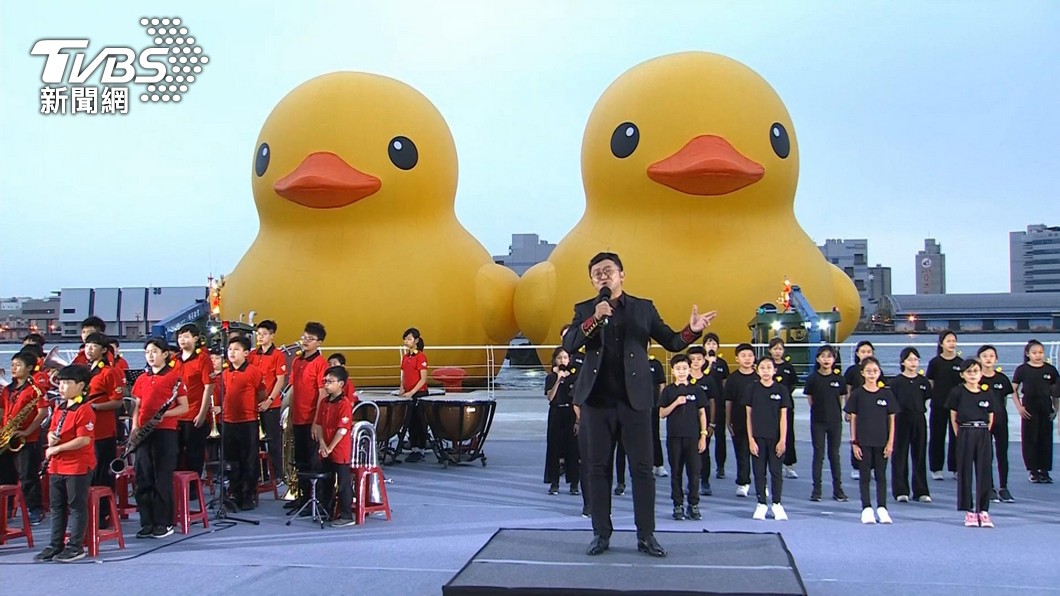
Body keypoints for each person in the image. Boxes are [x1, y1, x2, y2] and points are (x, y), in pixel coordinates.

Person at [562, 252, 715, 558]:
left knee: (642, 470)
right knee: (597, 469)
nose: (603, 277)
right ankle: (600, 533)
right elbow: (570, 345)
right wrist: (595, 318)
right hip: (596, 402)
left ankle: (646, 535)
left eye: (608, 271)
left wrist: (692, 330)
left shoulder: (643, 308)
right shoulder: (585, 309)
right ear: (592, 281)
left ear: (622, 274)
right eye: (596, 274)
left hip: (636, 403)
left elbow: (672, 341)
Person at [34, 364, 96, 563]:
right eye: (60, 383)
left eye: (67, 383)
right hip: (57, 465)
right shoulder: (60, 407)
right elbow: (53, 429)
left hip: (77, 465)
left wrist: (57, 448)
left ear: (81, 386)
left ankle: (75, 546)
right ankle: (55, 543)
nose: (62, 387)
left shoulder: (84, 410)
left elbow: (84, 439)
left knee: (76, 507)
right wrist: (52, 436)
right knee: (57, 507)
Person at [129, 338, 189, 539]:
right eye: (147, 352)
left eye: (154, 351)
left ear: (165, 354)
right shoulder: (142, 379)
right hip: (143, 433)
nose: (150, 355)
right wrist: (135, 427)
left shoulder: (174, 378)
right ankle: (147, 521)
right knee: (143, 476)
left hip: (165, 432)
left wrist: (164, 415)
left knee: (161, 477)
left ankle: (164, 522)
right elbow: (137, 406)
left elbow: (184, 407)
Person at [845, 356, 898, 525]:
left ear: (880, 372)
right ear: (862, 373)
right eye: (868, 371)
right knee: (865, 476)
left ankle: (882, 508)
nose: (872, 374)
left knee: (881, 476)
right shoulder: (858, 394)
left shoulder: (886, 394)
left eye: (875, 371)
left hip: (882, 441)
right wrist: (854, 442)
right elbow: (853, 418)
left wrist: (890, 442)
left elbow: (891, 419)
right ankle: (866, 508)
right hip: (863, 442)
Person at [217, 336, 267, 510]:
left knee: (248, 460)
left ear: (246, 353)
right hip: (228, 421)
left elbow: (261, 393)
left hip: (247, 421)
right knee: (232, 460)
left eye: (236, 349)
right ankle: (234, 493)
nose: (231, 352)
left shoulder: (253, 372)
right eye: (230, 349)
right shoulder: (225, 373)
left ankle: (248, 495)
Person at [0, 350, 49, 525]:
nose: (13, 368)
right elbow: (2, 410)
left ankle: (35, 509)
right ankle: (5, 509)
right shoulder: (7, 389)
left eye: (18, 365)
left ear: (29, 368)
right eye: (12, 365)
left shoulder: (35, 389)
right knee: (5, 476)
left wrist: (27, 431)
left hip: (26, 439)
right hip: (7, 437)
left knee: (28, 476)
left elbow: (43, 412)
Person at [948, 359, 997, 527]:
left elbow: (991, 415)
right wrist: (959, 434)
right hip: (965, 432)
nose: (973, 374)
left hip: (982, 432)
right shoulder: (957, 392)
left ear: (981, 373)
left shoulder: (987, 392)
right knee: (965, 471)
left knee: (984, 471)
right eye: (968, 372)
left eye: (975, 371)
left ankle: (983, 510)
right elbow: (953, 415)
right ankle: (968, 510)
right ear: (962, 375)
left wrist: (985, 432)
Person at [659, 354, 708, 521]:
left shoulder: (697, 390)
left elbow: (702, 413)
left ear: (689, 370)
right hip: (674, 437)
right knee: (676, 472)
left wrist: (703, 435)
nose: (681, 372)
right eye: (678, 369)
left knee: (694, 472)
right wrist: (676, 403)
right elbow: (662, 413)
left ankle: (693, 504)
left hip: (693, 437)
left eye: (684, 368)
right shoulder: (668, 391)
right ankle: (677, 504)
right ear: (673, 371)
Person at [287, 322, 328, 510]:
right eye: (304, 337)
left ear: (319, 343)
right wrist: (289, 415)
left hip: (311, 419)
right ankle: (302, 498)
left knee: (314, 462)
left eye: (310, 339)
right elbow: (294, 390)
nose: (306, 341)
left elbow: (322, 394)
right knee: (300, 460)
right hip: (297, 417)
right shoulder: (297, 361)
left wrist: (316, 422)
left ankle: (316, 500)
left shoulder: (321, 363)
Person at [745, 357, 790, 521]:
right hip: (757, 437)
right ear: (757, 370)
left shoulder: (781, 390)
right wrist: (750, 439)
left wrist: (783, 440)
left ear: (774, 370)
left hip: (776, 438)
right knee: (759, 472)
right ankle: (761, 504)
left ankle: (777, 504)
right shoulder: (752, 389)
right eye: (762, 367)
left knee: (776, 472)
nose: (766, 370)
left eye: (769, 367)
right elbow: (748, 416)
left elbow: (783, 417)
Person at [82, 333, 125, 508]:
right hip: (86, 430)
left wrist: (95, 407)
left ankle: (104, 511)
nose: (89, 350)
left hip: (103, 429)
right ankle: (90, 511)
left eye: (93, 346)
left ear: (104, 350)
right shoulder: (84, 371)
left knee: (102, 473)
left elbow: (118, 401)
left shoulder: (110, 371)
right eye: (87, 346)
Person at [803, 345, 848, 502]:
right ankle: (817, 490)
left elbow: (841, 398)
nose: (826, 359)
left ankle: (838, 490)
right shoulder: (812, 379)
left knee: (834, 455)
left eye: (829, 356)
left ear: (834, 360)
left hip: (835, 421)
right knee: (818, 455)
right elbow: (810, 399)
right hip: (818, 421)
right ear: (817, 359)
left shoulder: (839, 379)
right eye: (823, 356)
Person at [888, 347, 932, 503]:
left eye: (916, 359)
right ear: (903, 362)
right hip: (901, 418)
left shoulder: (923, 381)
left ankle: (921, 490)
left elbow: (926, 397)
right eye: (910, 359)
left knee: (919, 454)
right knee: (900, 454)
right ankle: (901, 490)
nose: (913, 362)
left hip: (919, 418)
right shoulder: (897, 382)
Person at [313, 366, 356, 527]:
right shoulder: (324, 402)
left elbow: (342, 429)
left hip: (339, 449)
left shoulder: (344, 404)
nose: (326, 384)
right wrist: (323, 444)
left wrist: (330, 447)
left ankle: (346, 515)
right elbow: (318, 425)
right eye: (325, 381)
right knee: (326, 481)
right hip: (326, 448)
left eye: (330, 382)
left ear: (341, 384)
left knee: (343, 483)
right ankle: (327, 510)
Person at [1012, 339, 1059, 484]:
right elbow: (1013, 389)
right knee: (1030, 438)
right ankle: (1033, 471)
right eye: (1034, 353)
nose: (1038, 356)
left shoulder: (1050, 370)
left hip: (1045, 406)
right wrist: (1019, 407)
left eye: (1040, 353)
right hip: (1029, 406)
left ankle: (1044, 471)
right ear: (1028, 354)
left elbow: (1055, 392)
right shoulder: (1022, 369)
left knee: (1045, 439)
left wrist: (1056, 408)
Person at [174, 324, 214, 481]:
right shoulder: (174, 360)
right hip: (177, 415)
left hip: (194, 413)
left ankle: (192, 487)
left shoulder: (203, 359)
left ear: (196, 338)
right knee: (176, 453)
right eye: (180, 337)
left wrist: (202, 413)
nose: (182, 340)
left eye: (186, 336)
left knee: (193, 454)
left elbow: (208, 387)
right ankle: (177, 486)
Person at [251, 320, 288, 488]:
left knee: (273, 440)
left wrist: (269, 400)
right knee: (256, 441)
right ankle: (261, 474)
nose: (260, 337)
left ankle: (277, 475)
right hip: (253, 404)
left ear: (272, 336)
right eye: (258, 334)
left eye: (264, 334)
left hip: (271, 404)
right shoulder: (253, 354)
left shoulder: (277, 355)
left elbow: (280, 380)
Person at [977, 345, 1015, 502]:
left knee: (1002, 454)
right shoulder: (976, 379)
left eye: (991, 356)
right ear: (979, 359)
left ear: (996, 359)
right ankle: (989, 487)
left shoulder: (1002, 379)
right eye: (985, 356)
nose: (988, 359)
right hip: (983, 422)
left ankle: (1003, 487)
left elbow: (1004, 399)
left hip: (1001, 421)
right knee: (987, 455)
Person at [544, 348, 580, 495]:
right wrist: (558, 379)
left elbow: (577, 399)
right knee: (554, 447)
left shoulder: (574, 377)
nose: (562, 360)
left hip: (570, 412)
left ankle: (574, 483)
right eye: (559, 358)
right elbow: (550, 397)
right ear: (555, 360)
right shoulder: (551, 378)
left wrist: (578, 420)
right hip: (556, 412)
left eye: (565, 358)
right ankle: (554, 482)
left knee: (573, 448)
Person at [926, 330, 962, 479]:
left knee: (956, 436)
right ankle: (936, 468)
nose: (951, 344)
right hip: (938, 404)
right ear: (941, 343)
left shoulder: (960, 363)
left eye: (953, 341)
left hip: (956, 407)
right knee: (937, 436)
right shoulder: (935, 363)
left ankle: (955, 467)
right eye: (948, 341)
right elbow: (931, 383)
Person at [725, 344, 758, 497]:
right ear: (737, 358)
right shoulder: (733, 379)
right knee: (742, 453)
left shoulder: (759, 377)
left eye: (750, 355)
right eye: (743, 356)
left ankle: (760, 483)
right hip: (739, 421)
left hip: (759, 423)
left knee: (760, 455)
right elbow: (728, 401)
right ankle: (743, 482)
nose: (747, 359)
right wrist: (727, 421)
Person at [844, 341, 879, 480]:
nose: (866, 354)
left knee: (874, 438)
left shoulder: (876, 369)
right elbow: (848, 390)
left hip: (874, 410)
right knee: (857, 437)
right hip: (857, 409)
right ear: (857, 353)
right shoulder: (852, 371)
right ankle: (857, 466)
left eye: (869, 352)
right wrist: (847, 410)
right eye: (863, 351)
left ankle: (871, 466)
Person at [687, 345, 719, 496]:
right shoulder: (684, 379)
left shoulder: (709, 380)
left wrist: (711, 423)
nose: (695, 362)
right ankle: (691, 481)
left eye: (699, 359)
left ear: (704, 361)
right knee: (689, 454)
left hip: (704, 423)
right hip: (687, 423)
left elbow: (712, 402)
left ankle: (705, 481)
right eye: (692, 359)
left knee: (704, 452)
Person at [768, 338, 799, 478]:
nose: (777, 351)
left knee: (788, 435)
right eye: (775, 349)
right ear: (770, 350)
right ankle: (773, 464)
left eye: (780, 349)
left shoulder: (788, 367)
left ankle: (789, 464)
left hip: (786, 406)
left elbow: (793, 384)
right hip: (769, 406)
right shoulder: (767, 366)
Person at [400, 328, 430, 463]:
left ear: (416, 341)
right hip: (408, 394)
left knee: (420, 422)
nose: (407, 341)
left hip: (419, 393)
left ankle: (421, 449)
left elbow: (423, 379)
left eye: (410, 339)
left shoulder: (421, 357)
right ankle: (413, 448)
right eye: (406, 339)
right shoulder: (406, 357)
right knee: (410, 422)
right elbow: (404, 376)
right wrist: (401, 389)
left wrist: (412, 392)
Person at [702, 333, 730, 480]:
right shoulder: (700, 363)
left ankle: (720, 466)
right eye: (708, 344)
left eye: (714, 344)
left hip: (718, 405)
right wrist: (709, 364)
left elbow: (725, 384)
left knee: (720, 436)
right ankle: (702, 467)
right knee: (703, 436)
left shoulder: (722, 364)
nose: (711, 346)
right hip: (703, 406)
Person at [648, 351, 667, 478]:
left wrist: (661, 402)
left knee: (654, 434)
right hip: (636, 405)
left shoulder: (655, 364)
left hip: (653, 405)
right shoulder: (631, 361)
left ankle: (658, 465)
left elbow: (662, 384)